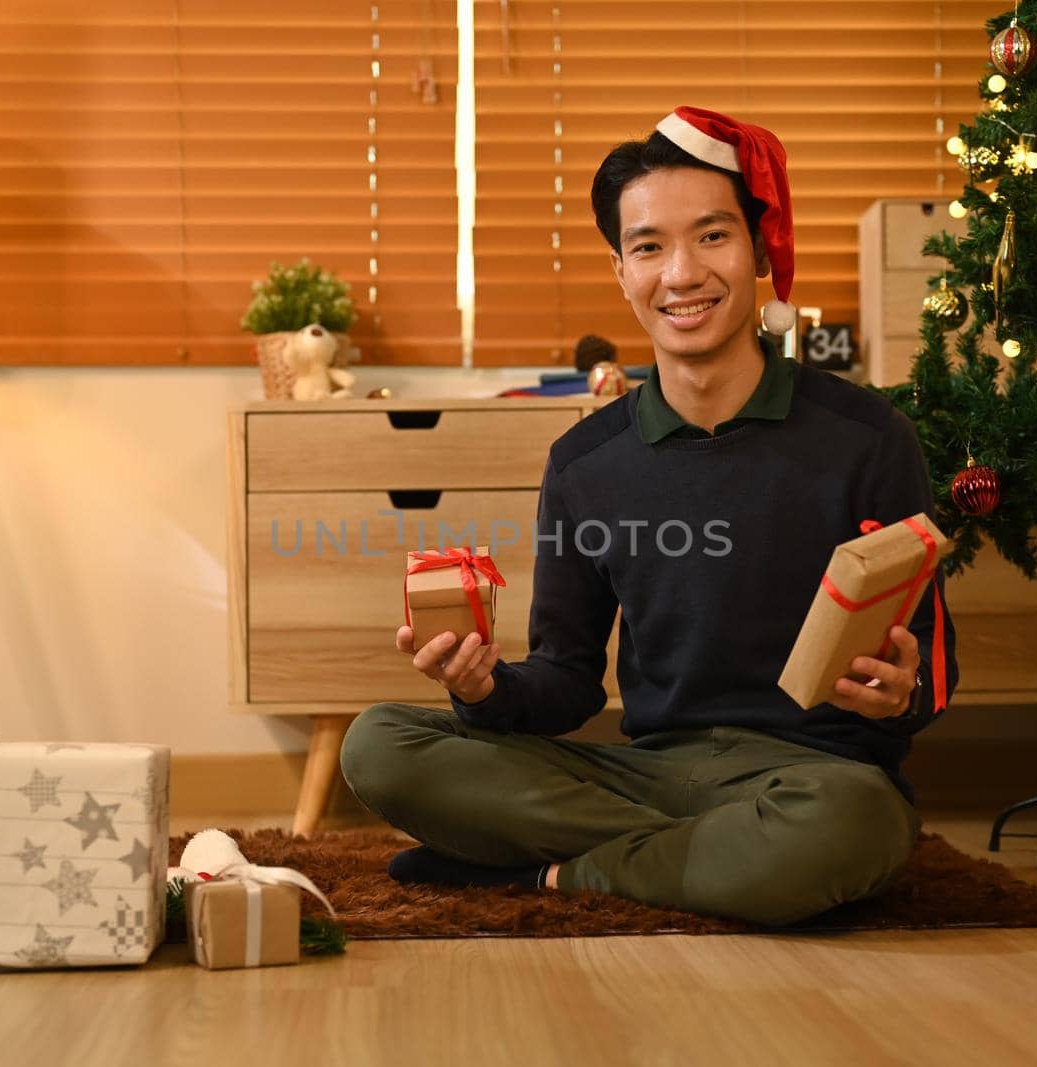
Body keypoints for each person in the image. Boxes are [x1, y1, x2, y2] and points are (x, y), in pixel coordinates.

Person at [338, 106, 959, 926]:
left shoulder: (868, 436)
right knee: (379, 742)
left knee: (854, 822)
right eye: (649, 247)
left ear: (759, 246)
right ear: (623, 271)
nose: (681, 273)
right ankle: (698, 856)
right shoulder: (586, 464)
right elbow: (566, 680)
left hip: (814, 775)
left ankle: (542, 877)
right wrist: (484, 689)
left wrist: (903, 692)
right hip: (645, 770)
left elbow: (934, 664)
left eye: (711, 237)